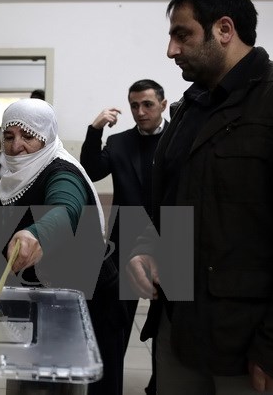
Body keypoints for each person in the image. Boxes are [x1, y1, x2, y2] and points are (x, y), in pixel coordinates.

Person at [126, 0, 273, 395]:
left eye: (182, 35)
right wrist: (144, 247)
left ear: (224, 29)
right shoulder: (188, 108)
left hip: (247, 342)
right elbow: (164, 204)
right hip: (178, 328)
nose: (171, 50)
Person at [0, 98, 126, 395]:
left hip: (89, 302)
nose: (16, 146)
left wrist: (37, 234)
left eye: (28, 136)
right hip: (50, 294)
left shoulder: (61, 172)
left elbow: (65, 207)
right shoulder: (18, 173)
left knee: (91, 384)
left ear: (46, 136)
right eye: (9, 136)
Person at [80, 79, 167, 394]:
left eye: (148, 104)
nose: (140, 112)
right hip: (124, 242)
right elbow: (90, 169)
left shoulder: (180, 138)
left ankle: (160, 387)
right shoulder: (118, 142)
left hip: (172, 238)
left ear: (163, 104)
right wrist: (95, 129)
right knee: (112, 327)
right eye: (134, 105)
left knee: (169, 332)